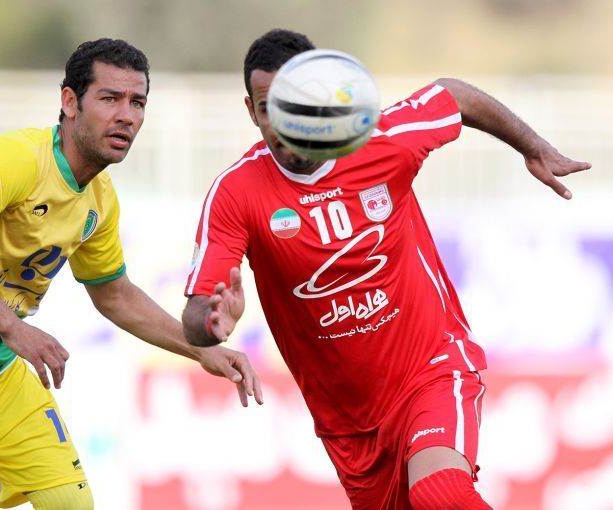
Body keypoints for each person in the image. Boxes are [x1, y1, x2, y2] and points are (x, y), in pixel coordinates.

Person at [182, 28, 591, 510]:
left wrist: (532, 146)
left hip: (431, 369)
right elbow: (196, 317)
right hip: (349, 426)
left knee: (439, 493)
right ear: (252, 111)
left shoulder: (381, 142)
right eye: (270, 108)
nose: (284, 122)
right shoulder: (236, 193)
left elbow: (453, 96)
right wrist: (213, 323)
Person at [0, 37, 262, 510]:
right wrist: (11, 327)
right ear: (70, 101)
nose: (126, 116)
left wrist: (200, 350)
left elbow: (115, 295)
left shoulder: (100, 201)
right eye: (110, 98)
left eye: (137, 102)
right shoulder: (17, 159)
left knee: (72, 503)